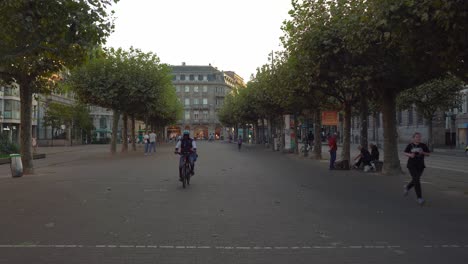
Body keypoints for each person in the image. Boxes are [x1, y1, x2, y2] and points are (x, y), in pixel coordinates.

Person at [403, 132, 430, 206]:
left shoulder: (423, 145)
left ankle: (407, 187)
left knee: (415, 179)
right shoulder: (410, 145)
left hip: (420, 166)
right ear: (413, 138)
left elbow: (428, 154)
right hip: (411, 165)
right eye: (417, 137)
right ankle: (419, 198)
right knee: (417, 179)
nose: (418, 138)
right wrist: (410, 155)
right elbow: (405, 152)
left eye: (419, 137)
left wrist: (423, 152)